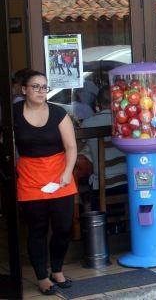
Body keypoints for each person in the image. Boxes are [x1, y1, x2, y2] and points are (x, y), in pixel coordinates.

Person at [13, 69, 77, 295]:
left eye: (44, 87)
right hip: (29, 177)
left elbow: (70, 146)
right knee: (37, 229)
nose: (41, 91)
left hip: (60, 176)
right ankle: (42, 276)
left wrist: (68, 172)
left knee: (63, 227)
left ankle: (57, 270)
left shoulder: (59, 113)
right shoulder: (13, 114)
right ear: (24, 90)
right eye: (36, 86)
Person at [80, 87, 127, 206]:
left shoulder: (88, 123)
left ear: (98, 103)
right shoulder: (127, 122)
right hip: (128, 182)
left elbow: (78, 147)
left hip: (102, 186)